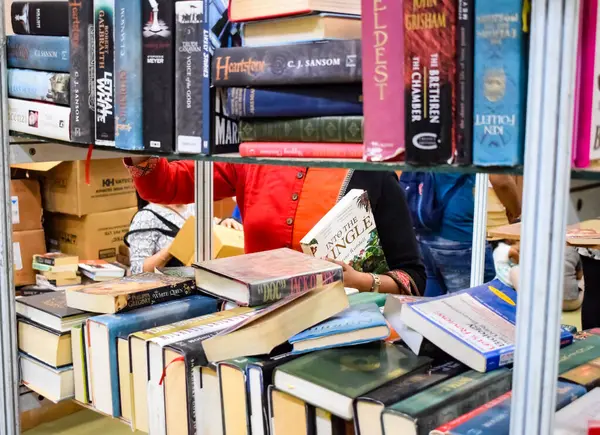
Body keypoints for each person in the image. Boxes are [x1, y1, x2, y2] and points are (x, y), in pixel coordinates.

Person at [124, 157, 426, 295]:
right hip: (258, 322)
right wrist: (140, 147)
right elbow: (167, 185)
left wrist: (359, 281)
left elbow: (411, 277)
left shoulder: (371, 174)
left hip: (342, 332)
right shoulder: (251, 161)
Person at [410, 173, 522, 296]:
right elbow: (501, 181)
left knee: (431, 301)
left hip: (423, 221)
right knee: (476, 303)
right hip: (458, 231)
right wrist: (516, 211)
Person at [127, 194, 242, 274]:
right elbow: (138, 270)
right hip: (174, 291)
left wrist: (224, 222)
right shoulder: (146, 217)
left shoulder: (192, 205)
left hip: (210, 278)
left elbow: (211, 224)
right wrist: (171, 249)